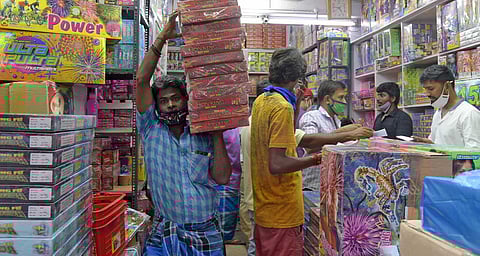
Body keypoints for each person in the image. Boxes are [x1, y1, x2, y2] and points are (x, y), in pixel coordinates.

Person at [250, 49, 373, 256]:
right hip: (282, 209)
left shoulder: (263, 100)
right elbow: (277, 164)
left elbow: (287, 136)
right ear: (298, 78)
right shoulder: (281, 107)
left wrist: (296, 104)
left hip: (265, 205)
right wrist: (318, 158)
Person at [136, 12, 232, 256]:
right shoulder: (151, 130)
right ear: (156, 107)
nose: (170, 105)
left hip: (205, 232)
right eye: (164, 101)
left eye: (175, 99)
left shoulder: (202, 134)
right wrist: (162, 38)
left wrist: (217, 133)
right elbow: (140, 81)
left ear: (186, 101)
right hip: (165, 230)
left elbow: (222, 178)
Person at [299, 80, 373, 191]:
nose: (344, 102)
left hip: (331, 182)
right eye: (340, 98)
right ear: (328, 99)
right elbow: (310, 146)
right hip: (314, 184)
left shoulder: (336, 120)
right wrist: (347, 134)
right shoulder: (311, 117)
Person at [413, 65, 480, 148]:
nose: (427, 94)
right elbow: (438, 142)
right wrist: (423, 142)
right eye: (425, 89)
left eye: (431, 89)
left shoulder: (469, 113)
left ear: (447, 86)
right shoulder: (438, 113)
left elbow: (475, 152)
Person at [216, 128, 242, 243]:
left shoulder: (237, 127)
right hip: (218, 184)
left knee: (225, 235)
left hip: (233, 184)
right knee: (218, 236)